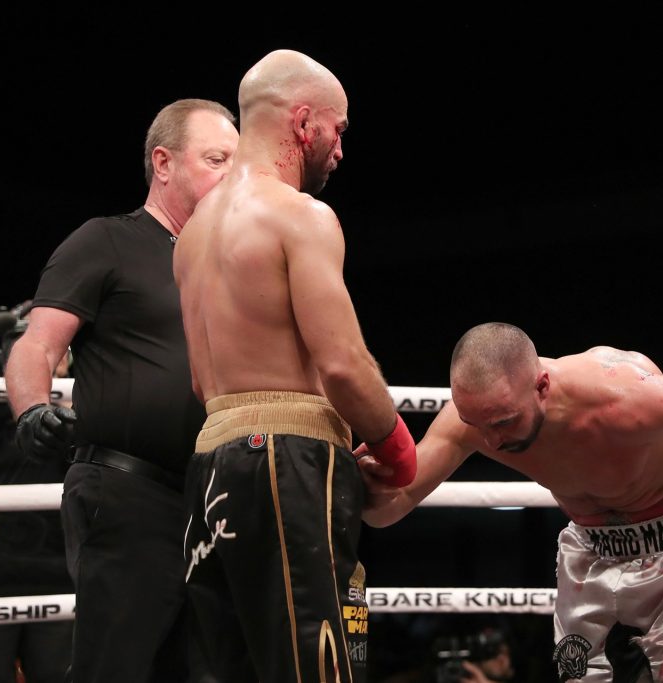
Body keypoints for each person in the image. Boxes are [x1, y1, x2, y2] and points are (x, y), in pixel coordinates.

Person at [173, 49, 416, 683]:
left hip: (211, 461)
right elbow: (341, 364)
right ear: (303, 122)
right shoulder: (300, 216)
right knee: (313, 660)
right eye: (337, 130)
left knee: (231, 666)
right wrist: (396, 446)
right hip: (287, 462)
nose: (340, 149)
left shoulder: (193, 232)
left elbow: (202, 382)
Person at [361, 322, 663, 683]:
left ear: (542, 386)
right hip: (592, 550)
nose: (491, 441)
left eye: (503, 422)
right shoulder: (474, 418)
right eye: (475, 424)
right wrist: (366, 477)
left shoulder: (626, 400)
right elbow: (388, 510)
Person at [4, 98, 239, 683]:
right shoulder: (105, 241)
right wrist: (33, 410)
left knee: (200, 669)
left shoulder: (232, 265)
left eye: (238, 162)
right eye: (215, 159)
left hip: (213, 500)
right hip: (127, 492)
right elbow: (36, 345)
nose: (231, 175)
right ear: (163, 163)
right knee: (115, 667)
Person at [0, 309, 73, 683]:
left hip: (55, 565)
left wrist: (52, 386)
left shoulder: (74, 402)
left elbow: (100, 427)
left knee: (61, 674)